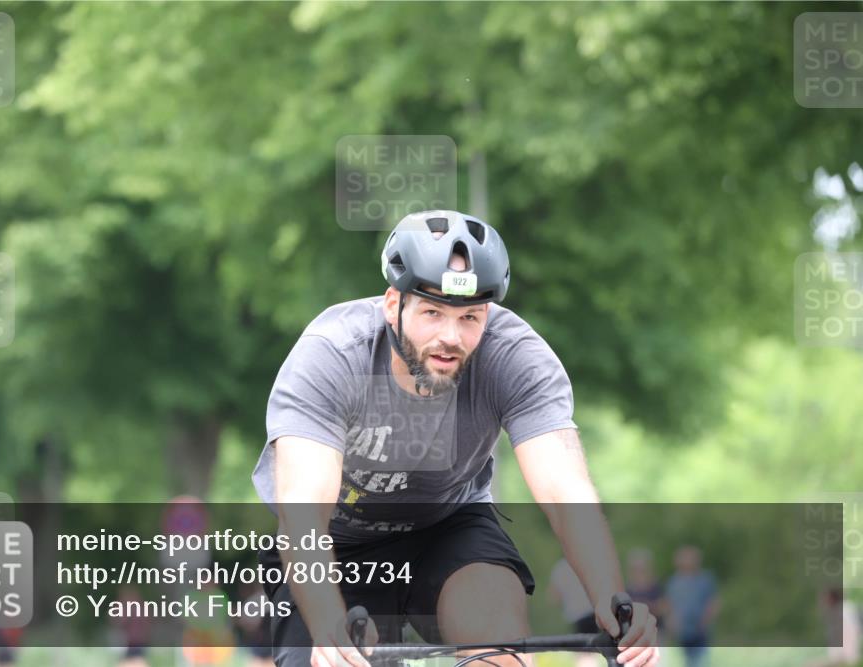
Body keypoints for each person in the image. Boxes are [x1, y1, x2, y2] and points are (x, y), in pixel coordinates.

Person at [252, 210, 659, 667]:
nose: (451, 337)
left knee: (500, 648)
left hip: (450, 527)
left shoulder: (515, 357)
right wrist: (330, 629)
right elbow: (303, 514)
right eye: (431, 312)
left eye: (470, 316)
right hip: (336, 541)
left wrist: (610, 596)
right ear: (393, 304)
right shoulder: (332, 355)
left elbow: (566, 492)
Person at [664, 546, 718, 667]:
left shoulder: (705, 579)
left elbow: (713, 602)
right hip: (682, 631)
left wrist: (706, 620)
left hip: (700, 630)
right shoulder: (674, 582)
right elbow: (670, 604)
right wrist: (671, 622)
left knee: (700, 661)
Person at [548, 558, 603, 667]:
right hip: (592, 612)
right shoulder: (586, 562)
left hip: (576, 615)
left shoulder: (559, 568)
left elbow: (554, 596)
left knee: (583, 653)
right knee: (589, 651)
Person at [804, 587, 861, 667]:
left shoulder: (845, 611)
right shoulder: (838, 612)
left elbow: (851, 633)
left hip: (844, 658)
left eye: (826, 598)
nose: (824, 601)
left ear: (833, 598)